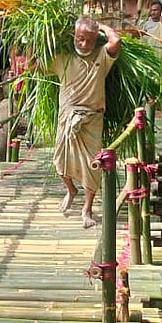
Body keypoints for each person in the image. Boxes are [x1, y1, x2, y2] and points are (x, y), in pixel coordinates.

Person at [37, 16, 122, 228]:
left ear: (97, 40)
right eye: (80, 38)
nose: (84, 44)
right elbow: (34, 64)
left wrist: (100, 26)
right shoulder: (61, 58)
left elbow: (116, 41)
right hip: (67, 117)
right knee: (59, 161)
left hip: (92, 118)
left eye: (89, 40)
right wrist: (38, 41)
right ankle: (71, 190)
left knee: (92, 165)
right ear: (73, 36)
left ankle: (87, 209)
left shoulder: (102, 56)